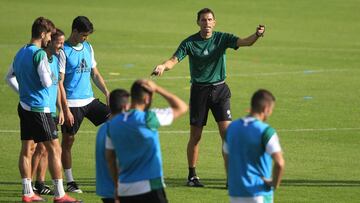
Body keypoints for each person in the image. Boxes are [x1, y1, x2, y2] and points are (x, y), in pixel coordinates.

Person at [152, 7, 266, 187]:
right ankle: (192, 176)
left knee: (227, 135)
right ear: (198, 22)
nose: (207, 24)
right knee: (196, 136)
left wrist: (257, 35)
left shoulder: (222, 38)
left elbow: (245, 42)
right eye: (203, 20)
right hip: (199, 92)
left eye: (210, 20)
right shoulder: (189, 43)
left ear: (215, 22)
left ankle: (231, 178)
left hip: (220, 90)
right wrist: (162, 66)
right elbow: (173, 61)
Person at [7, 17, 80, 202]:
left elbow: (9, 77)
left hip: (24, 106)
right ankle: (60, 194)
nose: (50, 38)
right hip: (40, 108)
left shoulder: (20, 51)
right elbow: (47, 82)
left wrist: (24, 91)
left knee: (26, 149)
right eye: (49, 35)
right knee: (54, 148)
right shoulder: (39, 54)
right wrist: (51, 73)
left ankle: (27, 192)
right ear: (42, 34)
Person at [105, 79, 188, 203]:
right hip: (150, 187)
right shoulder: (149, 118)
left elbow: (110, 158)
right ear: (147, 99)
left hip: (124, 189)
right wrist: (158, 89)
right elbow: (182, 107)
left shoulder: (112, 125)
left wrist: (117, 186)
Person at [59, 16, 111, 193]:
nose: (86, 38)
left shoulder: (88, 47)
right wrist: (65, 109)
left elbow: (94, 74)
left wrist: (107, 92)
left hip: (90, 100)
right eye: (83, 35)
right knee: (68, 141)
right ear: (74, 31)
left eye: (87, 35)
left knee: (117, 120)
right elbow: (60, 83)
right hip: (72, 104)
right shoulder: (63, 51)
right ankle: (70, 181)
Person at [223, 89, 285, 203]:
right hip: (259, 193)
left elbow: (227, 157)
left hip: (236, 192)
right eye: (271, 110)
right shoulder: (266, 131)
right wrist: (274, 184)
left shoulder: (231, 128)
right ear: (266, 108)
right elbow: (280, 163)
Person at [30, 28, 66, 196]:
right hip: (40, 109)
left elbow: (57, 87)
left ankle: (39, 183)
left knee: (44, 149)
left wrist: (60, 110)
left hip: (50, 110)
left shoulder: (55, 59)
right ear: (50, 41)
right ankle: (30, 185)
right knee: (38, 148)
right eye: (59, 42)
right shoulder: (41, 58)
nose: (62, 46)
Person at [96, 89, 130, 203]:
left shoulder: (102, 129)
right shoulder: (118, 129)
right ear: (125, 107)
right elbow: (114, 160)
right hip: (118, 191)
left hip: (105, 189)